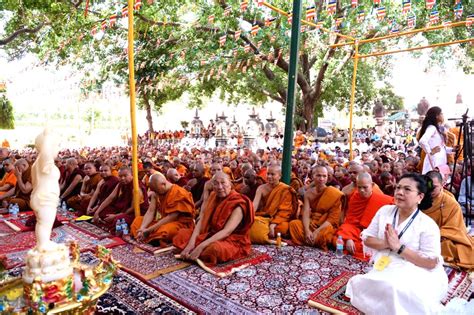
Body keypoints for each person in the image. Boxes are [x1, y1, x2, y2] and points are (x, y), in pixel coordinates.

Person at [346, 173, 448, 314]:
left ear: (420, 197)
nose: (399, 192)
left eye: (407, 189)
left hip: (418, 270)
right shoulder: (384, 211)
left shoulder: (427, 225)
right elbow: (367, 239)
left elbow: (430, 263)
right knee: (360, 285)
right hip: (387, 264)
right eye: (398, 187)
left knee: (394, 289)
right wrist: (386, 244)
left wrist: (399, 248)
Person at [173, 172, 254, 265]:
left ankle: (200, 251)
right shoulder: (213, 196)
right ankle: (196, 251)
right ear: (212, 185)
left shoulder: (238, 202)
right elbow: (202, 220)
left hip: (230, 240)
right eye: (216, 183)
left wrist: (201, 246)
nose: (219, 187)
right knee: (181, 235)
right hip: (210, 234)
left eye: (223, 183)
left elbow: (226, 231)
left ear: (230, 184)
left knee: (215, 249)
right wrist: (190, 244)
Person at [334, 173, 393, 260]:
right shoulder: (355, 197)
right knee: (337, 239)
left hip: (371, 233)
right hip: (356, 231)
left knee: (366, 247)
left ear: (372, 185)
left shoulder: (382, 199)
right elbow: (350, 221)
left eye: (365, 187)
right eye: (359, 187)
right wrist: (348, 238)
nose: (361, 190)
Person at [424, 171, 474, 270]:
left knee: (449, 246)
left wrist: (436, 234)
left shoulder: (450, 203)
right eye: (428, 186)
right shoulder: (419, 198)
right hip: (422, 234)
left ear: (442, 184)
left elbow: (455, 228)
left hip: (442, 236)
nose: (430, 190)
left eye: (434, 187)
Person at [131, 173, 195, 247]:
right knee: (137, 222)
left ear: (163, 184)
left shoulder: (179, 193)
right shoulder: (156, 193)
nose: (155, 193)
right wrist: (142, 228)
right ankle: (147, 237)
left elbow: (171, 217)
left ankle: (151, 238)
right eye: (154, 191)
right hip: (161, 221)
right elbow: (150, 211)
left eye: (156, 190)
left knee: (165, 231)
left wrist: (149, 230)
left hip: (177, 223)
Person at [289, 165, 343, 250]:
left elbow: (333, 219)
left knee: (326, 236)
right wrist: (307, 231)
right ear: (312, 176)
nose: (321, 179)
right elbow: (306, 213)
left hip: (325, 225)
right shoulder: (308, 193)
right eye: (318, 175)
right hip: (312, 222)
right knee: (294, 224)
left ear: (327, 177)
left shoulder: (334, 194)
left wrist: (316, 232)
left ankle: (310, 240)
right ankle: (311, 239)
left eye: (324, 176)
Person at [250, 164, 298, 244]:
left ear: (279, 176)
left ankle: (264, 231)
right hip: (264, 217)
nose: (269, 176)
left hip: (278, 220)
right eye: (268, 174)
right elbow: (254, 206)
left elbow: (285, 211)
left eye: (272, 174)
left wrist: (273, 224)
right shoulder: (261, 188)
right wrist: (248, 216)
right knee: (253, 221)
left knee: (284, 227)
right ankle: (264, 232)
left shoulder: (285, 189)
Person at [93, 166, 148, 232]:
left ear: (132, 175)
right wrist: (97, 211)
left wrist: (115, 216)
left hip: (134, 212)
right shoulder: (120, 184)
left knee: (118, 220)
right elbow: (110, 198)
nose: (122, 178)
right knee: (102, 212)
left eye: (125, 176)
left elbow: (132, 208)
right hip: (121, 209)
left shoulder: (136, 187)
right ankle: (108, 223)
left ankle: (121, 231)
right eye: (120, 176)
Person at [417, 106, 453, 174]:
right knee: (432, 181)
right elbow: (422, 141)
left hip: (440, 160)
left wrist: (452, 150)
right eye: (441, 114)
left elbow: (441, 148)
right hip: (434, 161)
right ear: (437, 116)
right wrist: (431, 152)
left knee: (439, 182)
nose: (443, 116)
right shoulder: (432, 128)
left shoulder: (438, 129)